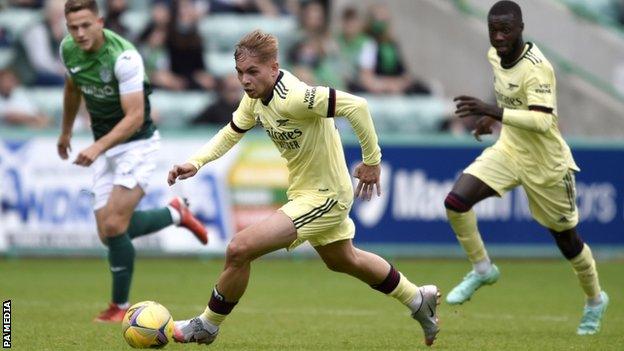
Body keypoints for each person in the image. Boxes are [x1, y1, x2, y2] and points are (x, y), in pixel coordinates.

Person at [168, 30, 441, 347]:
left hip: (327, 196)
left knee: (239, 249)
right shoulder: (255, 99)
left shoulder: (295, 97)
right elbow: (231, 132)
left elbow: (358, 106)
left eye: (252, 72)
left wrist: (372, 161)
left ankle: (208, 324)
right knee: (343, 259)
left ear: (273, 67)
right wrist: (196, 162)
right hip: (305, 192)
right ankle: (418, 299)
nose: (244, 80)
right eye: (240, 73)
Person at [445, 1, 608, 336]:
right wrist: (492, 117)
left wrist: (493, 110)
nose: (499, 36)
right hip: (510, 150)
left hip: (547, 166)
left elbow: (542, 119)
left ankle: (595, 300)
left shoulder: (537, 68)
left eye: (506, 29)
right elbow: (510, 97)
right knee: (456, 202)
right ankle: (482, 268)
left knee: (568, 242)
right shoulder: (495, 56)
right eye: (494, 29)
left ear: (521, 28)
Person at [57, 0, 208, 323]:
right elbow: (73, 89)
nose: (80, 33)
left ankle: (120, 307)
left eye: (86, 25)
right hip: (105, 147)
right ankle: (174, 213)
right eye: (73, 27)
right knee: (108, 233)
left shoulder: (123, 57)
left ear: (100, 21)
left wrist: (97, 146)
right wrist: (66, 132)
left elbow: (135, 115)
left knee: (114, 225)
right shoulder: (68, 50)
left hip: (136, 145)